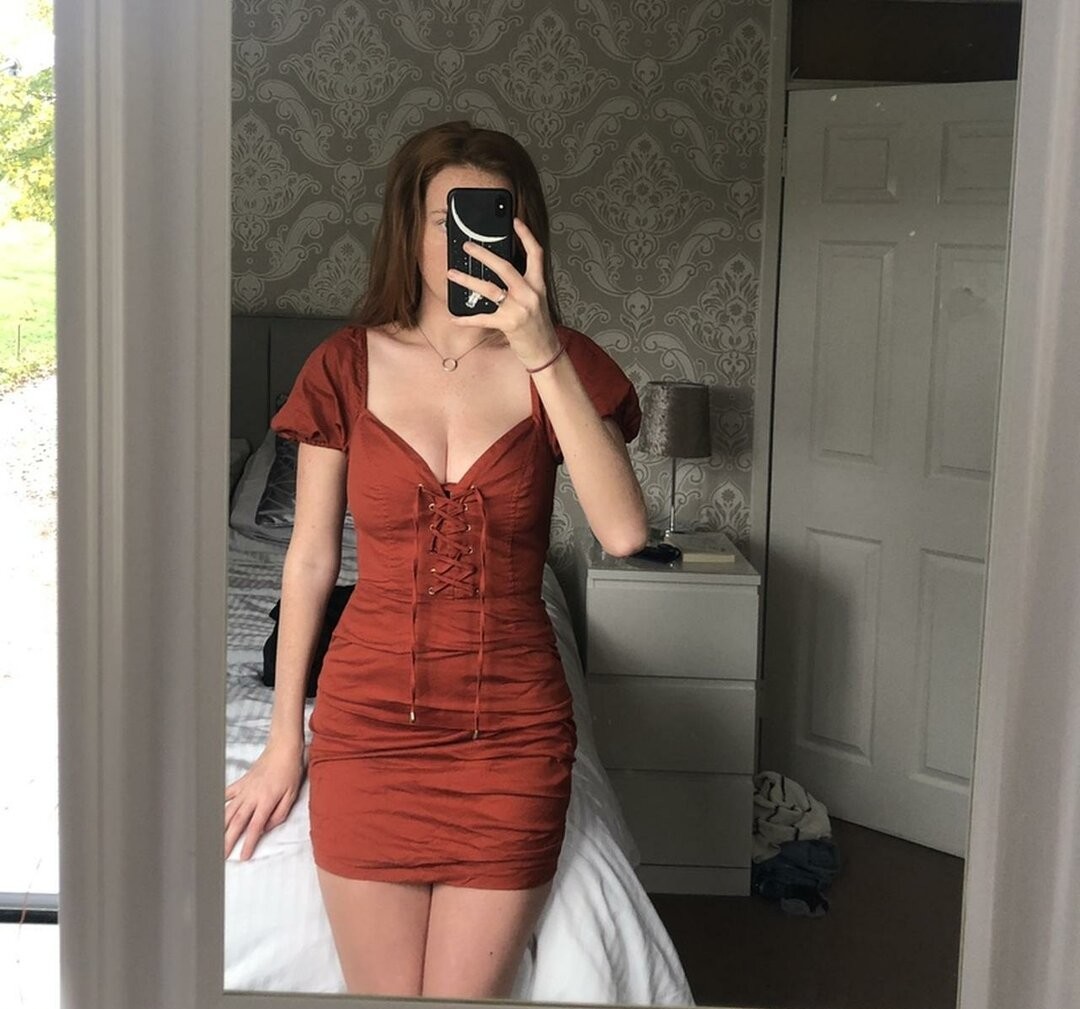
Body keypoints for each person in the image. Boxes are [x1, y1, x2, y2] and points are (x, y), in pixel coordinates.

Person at [223, 120, 648, 999]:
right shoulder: (342, 366)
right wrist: (283, 742)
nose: (470, 241)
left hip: (513, 738)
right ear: (409, 230)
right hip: (368, 730)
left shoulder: (562, 364)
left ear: (525, 232)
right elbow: (310, 560)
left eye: (493, 216)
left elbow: (623, 533)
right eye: (445, 219)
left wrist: (540, 348)